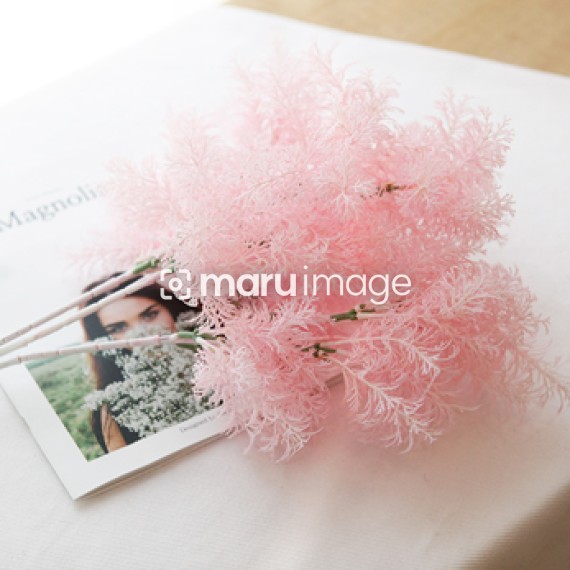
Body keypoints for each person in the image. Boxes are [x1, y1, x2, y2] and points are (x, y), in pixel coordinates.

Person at [81, 273, 198, 453]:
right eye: (118, 328)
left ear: (170, 308)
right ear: (105, 339)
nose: (141, 334)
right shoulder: (114, 409)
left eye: (150, 315)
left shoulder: (228, 352)